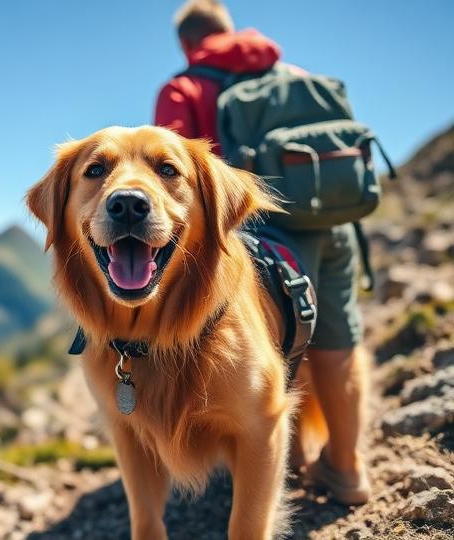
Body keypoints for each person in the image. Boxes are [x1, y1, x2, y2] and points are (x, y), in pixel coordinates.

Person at [154, 0, 371, 505]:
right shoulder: (291, 73)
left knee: (271, 350)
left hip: (266, 242)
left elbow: (171, 182)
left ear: (187, 43)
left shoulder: (183, 88)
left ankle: (285, 464)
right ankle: (347, 467)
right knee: (337, 340)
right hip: (334, 219)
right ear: (229, 32)